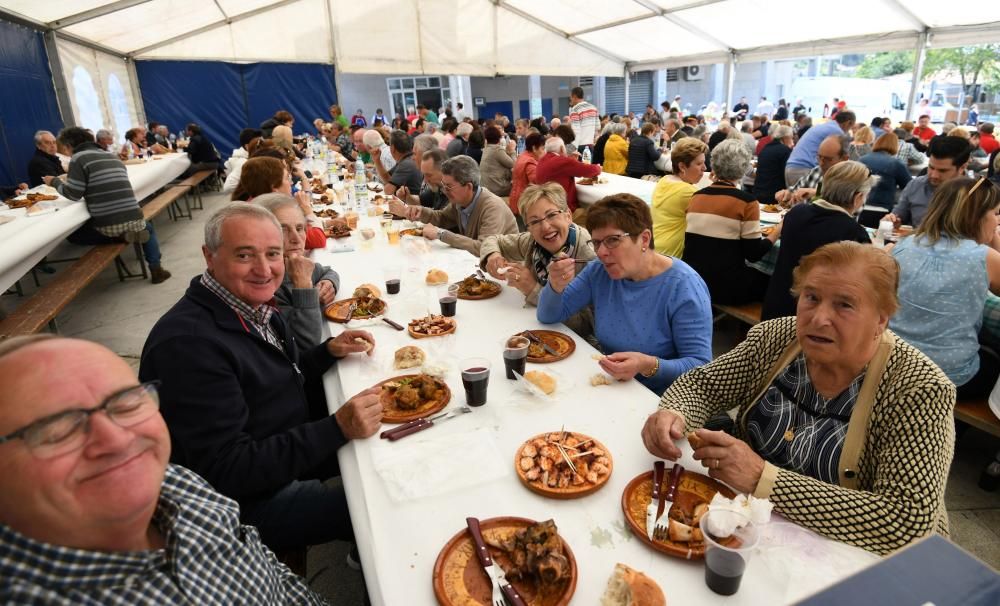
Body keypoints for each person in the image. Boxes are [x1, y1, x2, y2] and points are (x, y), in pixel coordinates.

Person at [642, 241, 955, 556]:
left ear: (881, 319)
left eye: (844, 304)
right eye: (812, 297)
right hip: (752, 531)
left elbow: (908, 521)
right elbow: (702, 385)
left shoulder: (920, 388)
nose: (819, 318)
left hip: (849, 557)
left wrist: (764, 480)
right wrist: (675, 414)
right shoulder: (776, 337)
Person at [0, 335, 328, 604]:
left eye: (126, 403)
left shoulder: (174, 482)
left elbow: (267, 569)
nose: (117, 440)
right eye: (57, 429)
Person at [139, 203, 382, 551]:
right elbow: (227, 470)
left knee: (389, 444)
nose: (264, 269)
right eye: (244, 255)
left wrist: (325, 352)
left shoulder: (253, 306)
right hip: (242, 506)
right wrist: (336, 428)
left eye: (273, 254)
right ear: (209, 256)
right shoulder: (188, 346)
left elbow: (281, 376)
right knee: (373, 505)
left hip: (278, 449)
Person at [537, 193, 713, 394]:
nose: (601, 252)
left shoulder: (683, 286)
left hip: (663, 400)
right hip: (613, 386)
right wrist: (555, 285)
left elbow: (700, 367)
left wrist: (648, 364)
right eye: (596, 242)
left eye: (612, 240)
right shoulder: (599, 271)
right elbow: (548, 316)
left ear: (644, 239)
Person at [890, 177, 1000, 398]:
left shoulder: (902, 246)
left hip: (891, 364)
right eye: (996, 213)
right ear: (977, 216)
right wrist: (994, 241)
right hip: (950, 378)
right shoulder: (985, 258)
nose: (997, 221)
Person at [45, 127, 171, 284]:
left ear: (70, 146)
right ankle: (156, 269)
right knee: (148, 229)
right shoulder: (111, 156)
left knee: (73, 236)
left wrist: (54, 182)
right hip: (135, 217)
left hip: (108, 224)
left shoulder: (78, 158)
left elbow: (73, 194)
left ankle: (118, 237)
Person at [761, 162, 874, 320]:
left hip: (775, 309)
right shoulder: (854, 233)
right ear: (858, 198)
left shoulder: (795, 213)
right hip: (815, 320)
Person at [480, 183, 596, 336]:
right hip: (530, 324)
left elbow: (585, 326)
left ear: (568, 215)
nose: (545, 227)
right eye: (535, 221)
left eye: (551, 215)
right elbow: (493, 240)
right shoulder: (532, 242)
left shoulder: (588, 258)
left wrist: (532, 289)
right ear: (528, 228)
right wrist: (493, 255)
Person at [683, 139, 778, 305]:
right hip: (725, 288)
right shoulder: (747, 201)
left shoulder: (696, 196)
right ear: (743, 168)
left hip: (694, 281)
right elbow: (754, 254)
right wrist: (779, 229)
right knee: (774, 281)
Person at [254, 194, 340, 349]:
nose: (296, 238)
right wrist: (303, 286)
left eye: (299, 228)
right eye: (283, 229)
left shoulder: (293, 264)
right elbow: (305, 343)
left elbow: (328, 272)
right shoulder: (266, 284)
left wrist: (329, 283)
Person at [389, 155, 517, 255]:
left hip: (505, 270)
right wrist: (420, 212)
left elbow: (483, 247)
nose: (444, 191)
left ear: (468, 186)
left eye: (448, 186)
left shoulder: (492, 207)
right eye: (443, 185)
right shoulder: (460, 201)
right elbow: (442, 217)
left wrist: (441, 234)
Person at [231, 156, 327, 250]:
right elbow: (317, 240)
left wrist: (326, 223)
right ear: (274, 187)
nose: (291, 183)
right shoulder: (268, 212)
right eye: (287, 178)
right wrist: (308, 211)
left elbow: (302, 227)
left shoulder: (254, 203)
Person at [884, 135, 970, 229]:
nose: (934, 175)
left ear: (962, 168)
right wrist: (891, 220)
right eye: (931, 167)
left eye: (943, 171)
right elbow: (898, 216)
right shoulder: (915, 185)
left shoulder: (977, 194)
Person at [651, 138, 708, 257]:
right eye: (699, 164)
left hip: (654, 247)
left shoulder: (664, 180)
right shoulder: (688, 192)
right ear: (682, 166)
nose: (705, 168)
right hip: (669, 256)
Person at [785, 110, 856, 187]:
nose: (850, 130)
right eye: (851, 127)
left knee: (797, 196)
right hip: (805, 169)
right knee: (817, 196)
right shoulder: (837, 133)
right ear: (849, 123)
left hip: (791, 168)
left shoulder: (824, 126)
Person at [775, 135, 850, 205]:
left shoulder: (853, 178)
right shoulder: (817, 171)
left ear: (844, 159)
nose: (821, 163)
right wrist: (786, 193)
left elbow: (845, 199)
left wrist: (816, 192)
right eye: (819, 157)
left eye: (828, 159)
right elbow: (796, 190)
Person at [535, 137, 601, 213]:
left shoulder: (541, 161)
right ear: (562, 148)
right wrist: (598, 167)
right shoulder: (561, 161)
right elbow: (591, 170)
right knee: (594, 212)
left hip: (547, 206)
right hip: (564, 209)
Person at [858, 133, 911, 216]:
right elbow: (909, 186)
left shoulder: (862, 159)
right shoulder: (896, 163)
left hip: (860, 205)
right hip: (883, 207)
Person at [373, 130, 422, 196]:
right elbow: (388, 178)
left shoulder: (406, 164)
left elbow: (388, 191)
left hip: (411, 204)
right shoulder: (407, 159)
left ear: (392, 148)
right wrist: (377, 160)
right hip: (411, 202)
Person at [754, 124, 794, 205]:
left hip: (758, 192)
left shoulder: (766, 148)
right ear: (785, 138)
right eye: (791, 138)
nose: (792, 141)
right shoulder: (785, 151)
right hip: (774, 196)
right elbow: (787, 175)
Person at [509, 132, 545, 220]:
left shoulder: (522, 156)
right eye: (543, 148)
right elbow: (538, 182)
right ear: (534, 148)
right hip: (524, 203)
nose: (544, 152)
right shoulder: (530, 163)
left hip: (516, 199)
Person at [479, 126, 517, 196]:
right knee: (521, 186)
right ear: (499, 138)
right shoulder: (497, 150)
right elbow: (514, 164)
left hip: (486, 188)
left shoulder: (486, 149)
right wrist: (512, 151)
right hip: (498, 189)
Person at [223, 128, 262, 193]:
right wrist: (254, 187)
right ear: (247, 146)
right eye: (257, 143)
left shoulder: (250, 157)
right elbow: (228, 187)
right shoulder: (242, 162)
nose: (261, 145)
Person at [568, 86, 599, 153]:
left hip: (580, 147)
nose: (570, 99)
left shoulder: (575, 110)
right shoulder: (593, 108)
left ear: (574, 96)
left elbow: (576, 131)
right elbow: (598, 127)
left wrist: (570, 149)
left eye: (570, 97)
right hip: (590, 145)